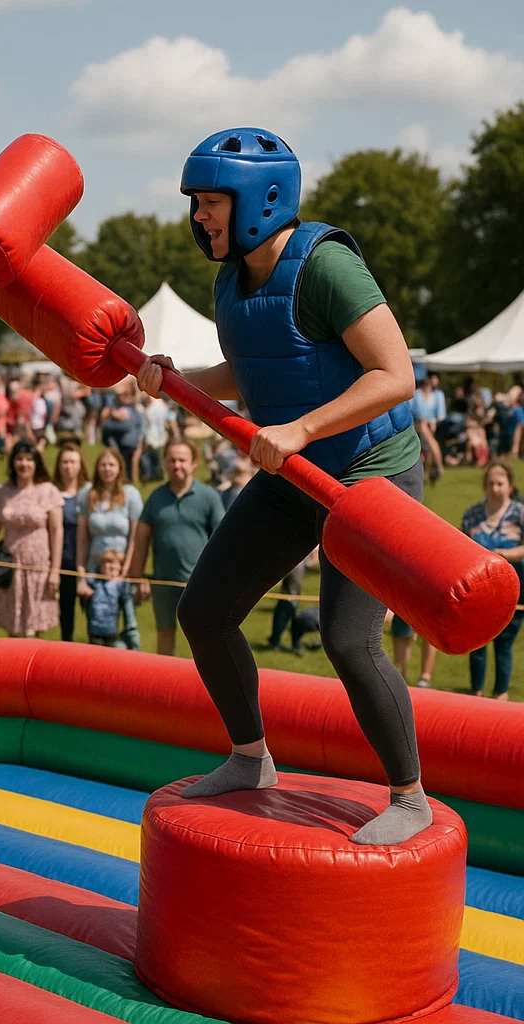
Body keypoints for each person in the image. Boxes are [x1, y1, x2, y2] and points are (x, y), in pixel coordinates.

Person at [137, 126, 428, 845]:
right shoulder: (230, 279)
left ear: (262, 200)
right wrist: (176, 381)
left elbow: (395, 375)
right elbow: (255, 370)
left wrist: (299, 430)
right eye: (196, 202)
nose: (199, 216)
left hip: (368, 474)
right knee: (204, 612)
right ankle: (250, 759)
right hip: (292, 476)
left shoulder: (327, 266)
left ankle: (410, 795)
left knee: (347, 639)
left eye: (211, 201)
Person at [130, 440, 224, 656]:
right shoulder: (156, 497)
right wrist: (138, 577)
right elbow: (142, 538)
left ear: (194, 463)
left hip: (200, 584)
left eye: (182, 460)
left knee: (203, 637)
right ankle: (165, 684)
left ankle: (204, 686)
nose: (177, 465)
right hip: (163, 582)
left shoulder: (209, 497)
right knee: (164, 633)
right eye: (171, 460)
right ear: (164, 463)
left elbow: (222, 540)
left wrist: (219, 579)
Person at [0, 440, 63, 637]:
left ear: (36, 463)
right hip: (10, 564)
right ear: (12, 462)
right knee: (12, 624)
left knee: (35, 624)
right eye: (19, 459)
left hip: (37, 565)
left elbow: (56, 531)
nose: (24, 464)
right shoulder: (3, 490)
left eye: (29, 459)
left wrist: (55, 570)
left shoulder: (47, 490)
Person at [462, 460, 524, 700]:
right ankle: (475, 693)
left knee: (504, 644)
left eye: (500, 483)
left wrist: (503, 555)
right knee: (476, 643)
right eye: (491, 483)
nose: (495, 488)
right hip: (478, 589)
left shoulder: (519, 513)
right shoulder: (472, 514)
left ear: (510, 486)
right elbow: (462, 546)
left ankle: (501, 696)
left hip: (514, 589)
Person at [76, 447, 143, 605]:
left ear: (119, 467)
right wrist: (81, 573)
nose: (107, 469)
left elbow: (135, 536)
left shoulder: (131, 494)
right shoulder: (87, 493)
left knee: (129, 622)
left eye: (111, 465)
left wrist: (127, 570)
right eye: (103, 465)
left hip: (121, 566)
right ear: (97, 467)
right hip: (94, 566)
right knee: (98, 618)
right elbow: (82, 538)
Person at [53, 443, 89, 642]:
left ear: (80, 465)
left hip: (86, 561)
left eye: (72, 462)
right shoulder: (52, 492)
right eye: (64, 462)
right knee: (65, 613)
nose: (68, 467)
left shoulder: (89, 492)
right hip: (63, 561)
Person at [85, 549, 140, 649]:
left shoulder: (119, 585)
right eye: (107, 563)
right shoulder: (95, 583)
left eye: (115, 564)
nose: (111, 566)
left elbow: (130, 591)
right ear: (100, 566)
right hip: (94, 632)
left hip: (111, 633)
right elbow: (86, 581)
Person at [409, 373, 446, 482]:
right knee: (426, 432)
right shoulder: (416, 395)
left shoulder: (438, 395)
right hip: (418, 424)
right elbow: (410, 411)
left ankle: (430, 469)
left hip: (433, 425)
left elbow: (440, 414)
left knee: (427, 436)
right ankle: (439, 467)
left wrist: (432, 421)